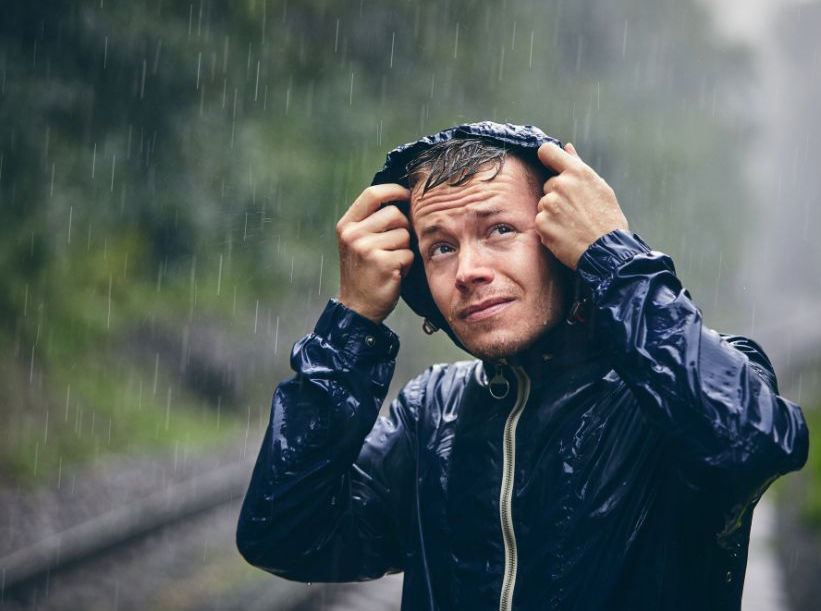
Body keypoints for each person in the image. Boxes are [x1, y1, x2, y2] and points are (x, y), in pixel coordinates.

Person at [235, 121, 808, 610]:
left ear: (566, 242)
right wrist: (352, 326)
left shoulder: (670, 395)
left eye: (500, 230)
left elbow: (750, 442)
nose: (468, 270)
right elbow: (283, 534)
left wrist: (614, 255)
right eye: (440, 247)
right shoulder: (431, 417)